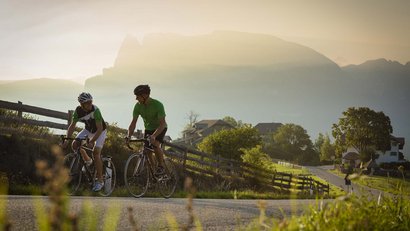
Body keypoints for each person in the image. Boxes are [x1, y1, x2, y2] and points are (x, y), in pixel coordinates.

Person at [63, 92, 107, 192]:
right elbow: (72, 126)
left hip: (100, 131)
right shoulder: (78, 111)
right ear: (82, 104)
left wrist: (92, 141)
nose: (90, 104)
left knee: (96, 153)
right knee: (75, 144)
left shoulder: (95, 110)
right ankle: (88, 160)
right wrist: (66, 140)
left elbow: (99, 129)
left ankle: (100, 181)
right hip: (88, 130)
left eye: (91, 102)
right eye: (88, 103)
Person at [126, 84, 168, 176]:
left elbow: (162, 124)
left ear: (144, 95)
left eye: (137, 96)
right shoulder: (137, 106)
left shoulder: (158, 105)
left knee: (155, 144)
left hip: (160, 127)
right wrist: (128, 135)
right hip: (149, 128)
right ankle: (154, 170)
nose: (136, 98)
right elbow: (133, 123)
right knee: (147, 151)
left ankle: (161, 166)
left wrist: (154, 136)